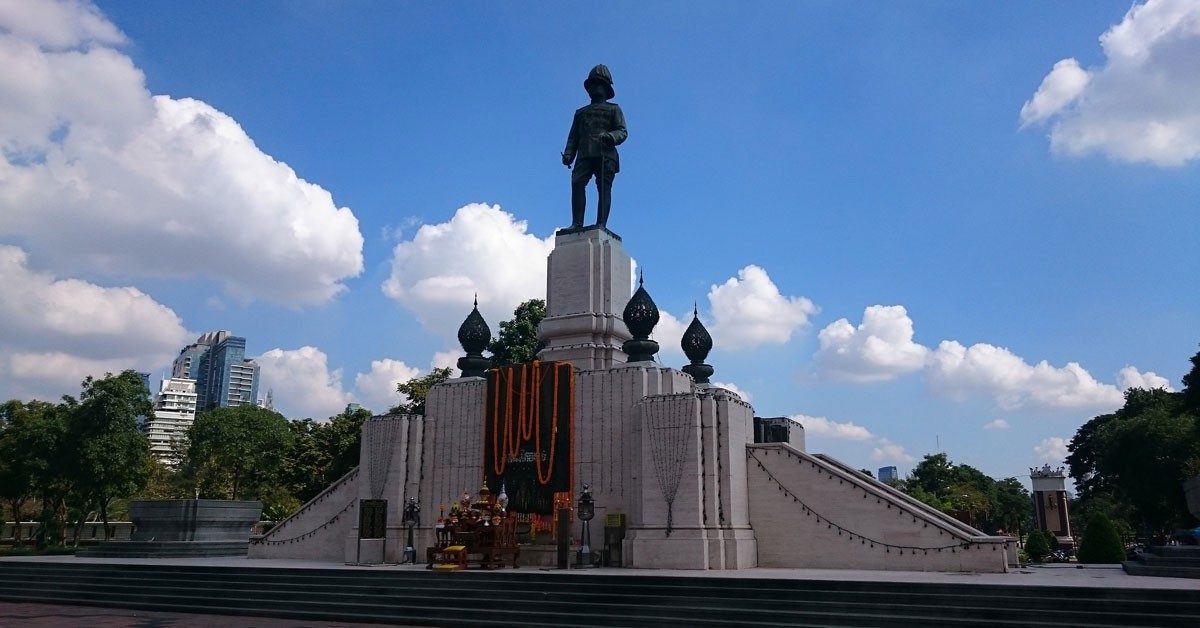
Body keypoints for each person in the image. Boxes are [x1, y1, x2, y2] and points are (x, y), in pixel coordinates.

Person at [562, 64, 627, 229]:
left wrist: (611, 137)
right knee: (577, 183)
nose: (595, 87)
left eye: (599, 83)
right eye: (593, 84)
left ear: (606, 88)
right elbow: (573, 136)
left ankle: (601, 224)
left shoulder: (614, 110)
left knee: (603, 189)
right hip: (584, 153)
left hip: (606, 154)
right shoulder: (581, 113)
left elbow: (622, 131)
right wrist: (569, 154)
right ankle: (577, 223)